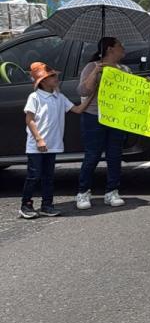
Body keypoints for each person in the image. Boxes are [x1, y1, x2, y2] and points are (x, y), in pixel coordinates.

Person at [19, 63, 85, 219]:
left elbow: (77, 109)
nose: (56, 78)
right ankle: (25, 205)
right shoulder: (35, 97)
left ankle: (47, 205)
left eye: (55, 75)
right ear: (42, 81)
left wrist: (92, 97)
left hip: (53, 145)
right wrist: (39, 139)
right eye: (51, 76)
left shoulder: (59, 97)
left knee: (48, 176)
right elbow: (29, 119)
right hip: (36, 145)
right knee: (34, 175)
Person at [75, 37, 129, 210]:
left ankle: (112, 191)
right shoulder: (92, 67)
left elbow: (132, 92)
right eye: (120, 45)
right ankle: (83, 192)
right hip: (94, 116)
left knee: (115, 155)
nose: (123, 48)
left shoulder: (124, 69)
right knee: (92, 155)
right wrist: (95, 72)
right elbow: (83, 91)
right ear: (110, 49)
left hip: (116, 117)